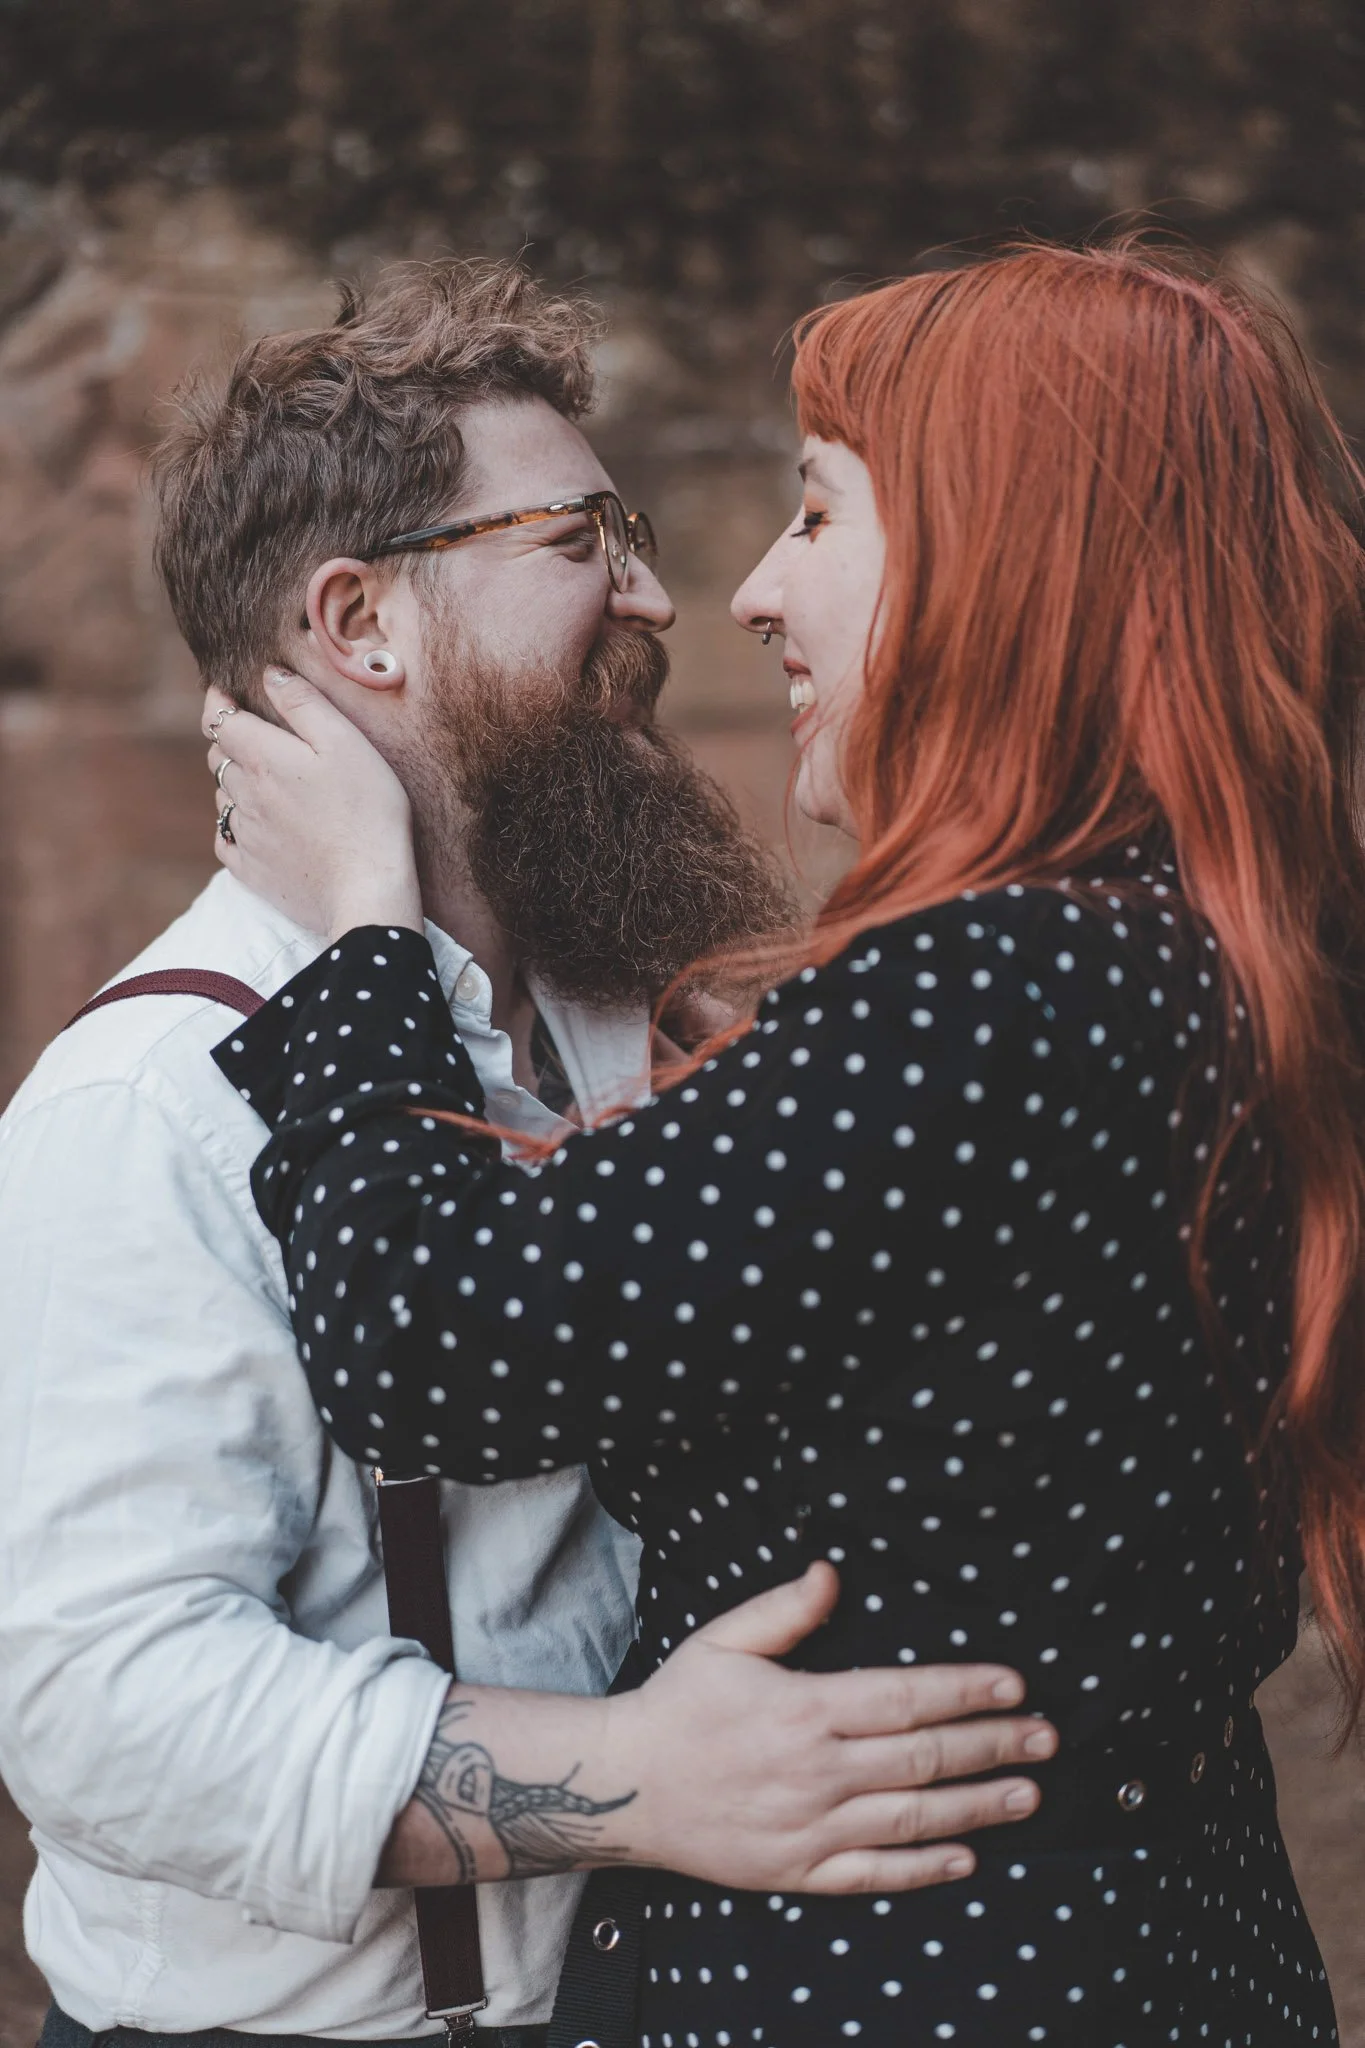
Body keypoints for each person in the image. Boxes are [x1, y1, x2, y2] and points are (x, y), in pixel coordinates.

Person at [205, 238, 1365, 2047]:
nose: (745, 593)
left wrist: (362, 938)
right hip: (1161, 1945)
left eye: (819, 519)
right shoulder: (1221, 947)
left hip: (904, 1982)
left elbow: (436, 1344)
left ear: (1012, 571)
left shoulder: (1005, 979)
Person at [0, 259, 1052, 2048]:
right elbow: (108, 1708)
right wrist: (638, 1778)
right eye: (579, 539)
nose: (657, 592)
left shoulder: (614, 1003)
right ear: (365, 625)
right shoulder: (146, 1101)